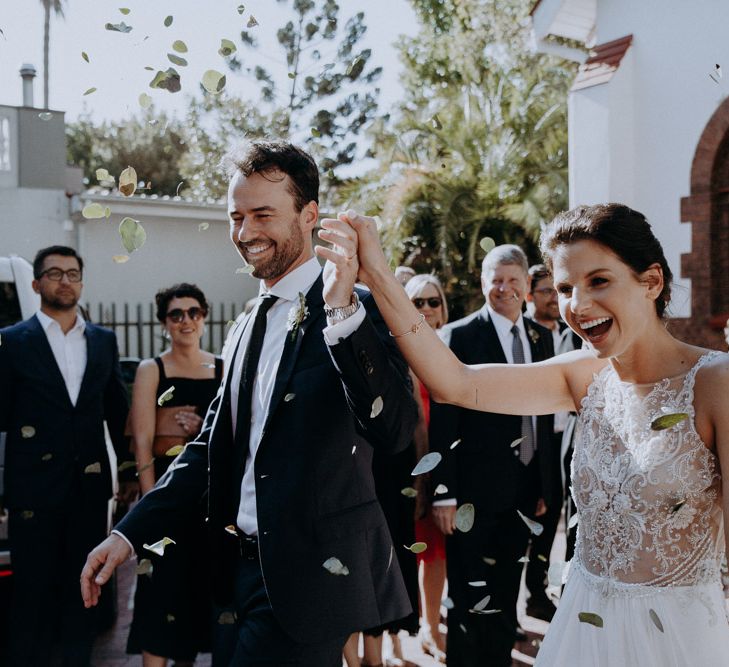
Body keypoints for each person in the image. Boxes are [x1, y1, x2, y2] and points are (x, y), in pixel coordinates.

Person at [316, 203, 729, 666]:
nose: (579, 305)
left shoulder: (717, 384)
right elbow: (456, 382)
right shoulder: (583, 375)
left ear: (651, 281)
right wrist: (376, 274)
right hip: (585, 627)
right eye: (566, 287)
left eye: (599, 281)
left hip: (677, 638)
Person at [81, 141, 418, 667]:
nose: (245, 232)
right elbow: (209, 448)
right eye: (235, 217)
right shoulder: (244, 325)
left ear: (310, 216)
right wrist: (129, 533)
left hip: (313, 577)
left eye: (263, 214)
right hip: (236, 574)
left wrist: (342, 314)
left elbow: (396, 431)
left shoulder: (355, 309)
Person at [0, 245, 134, 667]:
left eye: (73, 273)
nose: (65, 281)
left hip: (88, 489)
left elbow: (117, 411)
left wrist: (128, 470)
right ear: (38, 284)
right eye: (55, 273)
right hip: (32, 490)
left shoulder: (103, 340)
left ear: (81, 281)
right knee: (32, 595)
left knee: (85, 591)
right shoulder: (11, 341)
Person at [422, 245, 555, 666]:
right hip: (471, 495)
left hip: (525, 490)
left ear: (527, 287)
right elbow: (443, 419)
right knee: (468, 597)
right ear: (483, 283)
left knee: (506, 592)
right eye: (496, 279)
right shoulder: (459, 336)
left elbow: (546, 416)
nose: (504, 288)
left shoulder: (542, 337)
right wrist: (444, 494)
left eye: (513, 280)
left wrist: (546, 485)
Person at [126, 283, 222, 667]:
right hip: (166, 493)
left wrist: (204, 426)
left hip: (211, 498)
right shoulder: (152, 369)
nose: (186, 320)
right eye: (176, 314)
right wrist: (153, 510)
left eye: (193, 312)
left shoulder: (224, 366)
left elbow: (231, 435)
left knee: (199, 595)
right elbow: (143, 443)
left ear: (204, 317)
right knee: (160, 594)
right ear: (164, 322)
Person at [405, 274, 449, 662]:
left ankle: (433, 622)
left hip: (448, 464)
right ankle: (417, 626)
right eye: (417, 301)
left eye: (433, 301)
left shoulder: (456, 349)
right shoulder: (399, 351)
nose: (426, 309)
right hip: (412, 469)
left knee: (441, 553)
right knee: (418, 551)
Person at [523, 264, 568, 622]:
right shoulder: (527, 334)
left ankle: (556, 589)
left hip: (568, 441)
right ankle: (533, 594)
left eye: (558, 290)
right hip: (535, 441)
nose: (554, 298)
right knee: (536, 517)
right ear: (530, 295)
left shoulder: (571, 333)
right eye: (546, 291)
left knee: (561, 519)